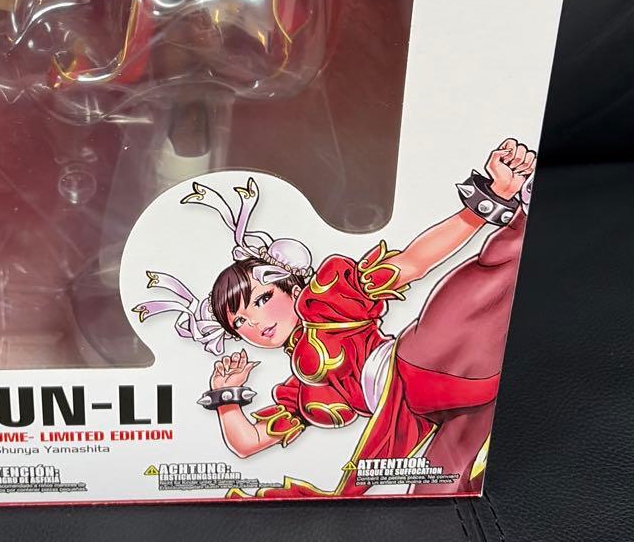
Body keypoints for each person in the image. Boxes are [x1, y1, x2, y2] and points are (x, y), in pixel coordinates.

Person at [133, 138, 536, 496]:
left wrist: (490, 199)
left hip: (419, 364)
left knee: (487, 283)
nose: (254, 323)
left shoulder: (328, 300)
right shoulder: (301, 391)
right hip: (417, 417)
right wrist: (226, 396)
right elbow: (246, 443)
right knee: (440, 488)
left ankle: (524, 220)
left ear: (292, 287)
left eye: (261, 299)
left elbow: (412, 263)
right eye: (238, 323)